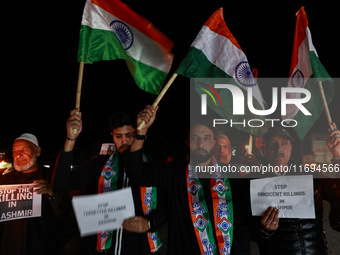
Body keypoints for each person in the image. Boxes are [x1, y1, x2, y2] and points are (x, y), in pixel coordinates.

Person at [123, 105, 249, 255]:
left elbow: (241, 226)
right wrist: (141, 132)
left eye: (206, 138)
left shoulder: (231, 177)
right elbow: (136, 172)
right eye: (194, 138)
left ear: (214, 143)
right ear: (187, 142)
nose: (200, 144)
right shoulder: (174, 173)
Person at [52, 109, 167, 255]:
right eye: (118, 136)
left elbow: (167, 206)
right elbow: (61, 184)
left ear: (138, 134)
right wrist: (70, 139)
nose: (124, 141)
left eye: (129, 135)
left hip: (142, 248)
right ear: (112, 135)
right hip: (105, 249)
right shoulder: (101, 164)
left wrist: (150, 223)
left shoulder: (153, 167)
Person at [252, 125, 340, 255]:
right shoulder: (252, 183)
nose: (279, 148)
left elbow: (336, 193)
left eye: (284, 143)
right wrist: (264, 229)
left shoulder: (310, 176)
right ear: (263, 149)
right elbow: (245, 231)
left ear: (291, 148)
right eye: (273, 144)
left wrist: (338, 157)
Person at [0, 133, 61, 255]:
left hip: (41, 247)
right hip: (9, 246)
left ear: (37, 151)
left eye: (24, 149)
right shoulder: (3, 181)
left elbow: (64, 214)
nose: (18, 154)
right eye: (15, 151)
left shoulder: (51, 178)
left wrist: (52, 195)